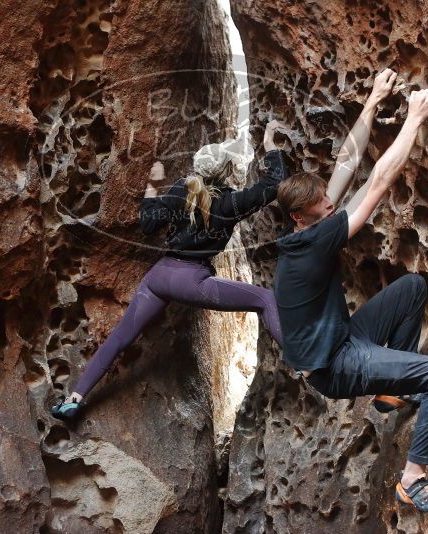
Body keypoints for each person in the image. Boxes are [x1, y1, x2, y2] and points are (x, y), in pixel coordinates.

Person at [274, 85, 428, 513]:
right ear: (299, 217)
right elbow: (377, 180)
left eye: (326, 197)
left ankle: (391, 390)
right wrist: (414, 118)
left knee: (411, 287)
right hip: (335, 366)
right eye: (323, 203)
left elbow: (345, 165)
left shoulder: (305, 230)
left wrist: (372, 102)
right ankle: (413, 481)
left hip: (342, 339)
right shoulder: (316, 241)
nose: (331, 202)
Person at [52, 120, 289, 419]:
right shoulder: (231, 203)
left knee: (120, 337)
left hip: (160, 276)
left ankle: (73, 399)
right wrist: (269, 144)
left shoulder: (181, 191)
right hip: (193, 281)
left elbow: (149, 222)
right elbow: (274, 185)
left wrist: (152, 184)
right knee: (266, 299)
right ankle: (301, 360)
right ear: (227, 172)